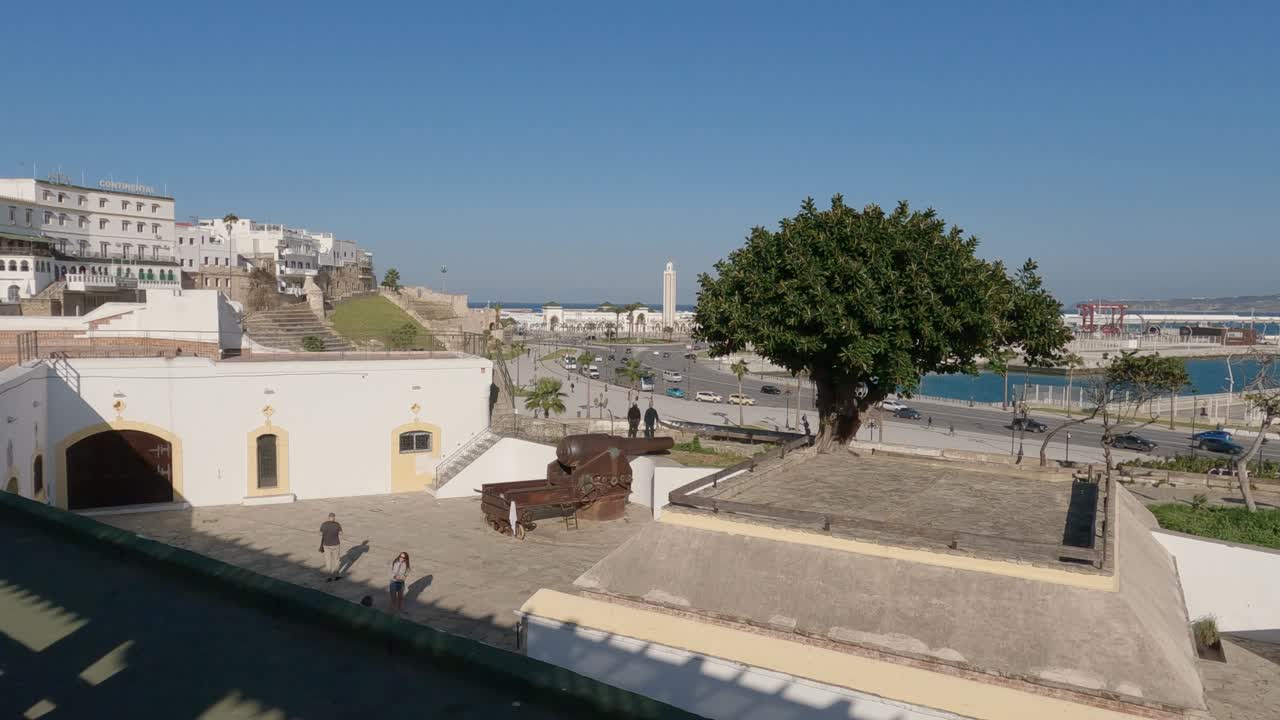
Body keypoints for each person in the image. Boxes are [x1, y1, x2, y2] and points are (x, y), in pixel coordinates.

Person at [319, 513, 343, 582]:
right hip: (336, 545)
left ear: (329, 517)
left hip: (326, 545)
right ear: (334, 517)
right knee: (337, 560)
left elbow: (320, 533)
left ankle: (329, 577)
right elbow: (341, 533)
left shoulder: (324, 524)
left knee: (328, 561)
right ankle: (336, 576)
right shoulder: (337, 524)